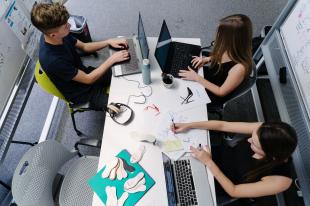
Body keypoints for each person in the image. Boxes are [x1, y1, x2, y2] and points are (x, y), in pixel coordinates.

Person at [31, 3, 130, 110]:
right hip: (82, 95)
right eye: (65, 26)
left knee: (124, 69)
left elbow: (84, 46)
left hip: (85, 73)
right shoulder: (53, 60)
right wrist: (111, 59)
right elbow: (88, 79)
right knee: (122, 107)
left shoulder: (58, 34)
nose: (69, 26)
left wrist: (108, 42)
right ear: (53, 35)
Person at [171, 120, 297, 198]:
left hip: (220, 181)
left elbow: (234, 191)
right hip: (213, 156)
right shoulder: (264, 131)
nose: (248, 140)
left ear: (270, 154)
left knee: (177, 187)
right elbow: (223, 125)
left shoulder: (281, 181)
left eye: (254, 143)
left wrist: (209, 163)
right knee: (172, 161)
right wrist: (189, 125)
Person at [179, 14, 253, 106]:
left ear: (230, 40)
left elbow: (221, 92)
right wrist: (207, 59)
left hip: (214, 92)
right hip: (211, 76)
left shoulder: (239, 69)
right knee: (180, 79)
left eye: (220, 35)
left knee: (181, 96)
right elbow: (221, 56)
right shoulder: (233, 48)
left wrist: (197, 78)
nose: (217, 36)